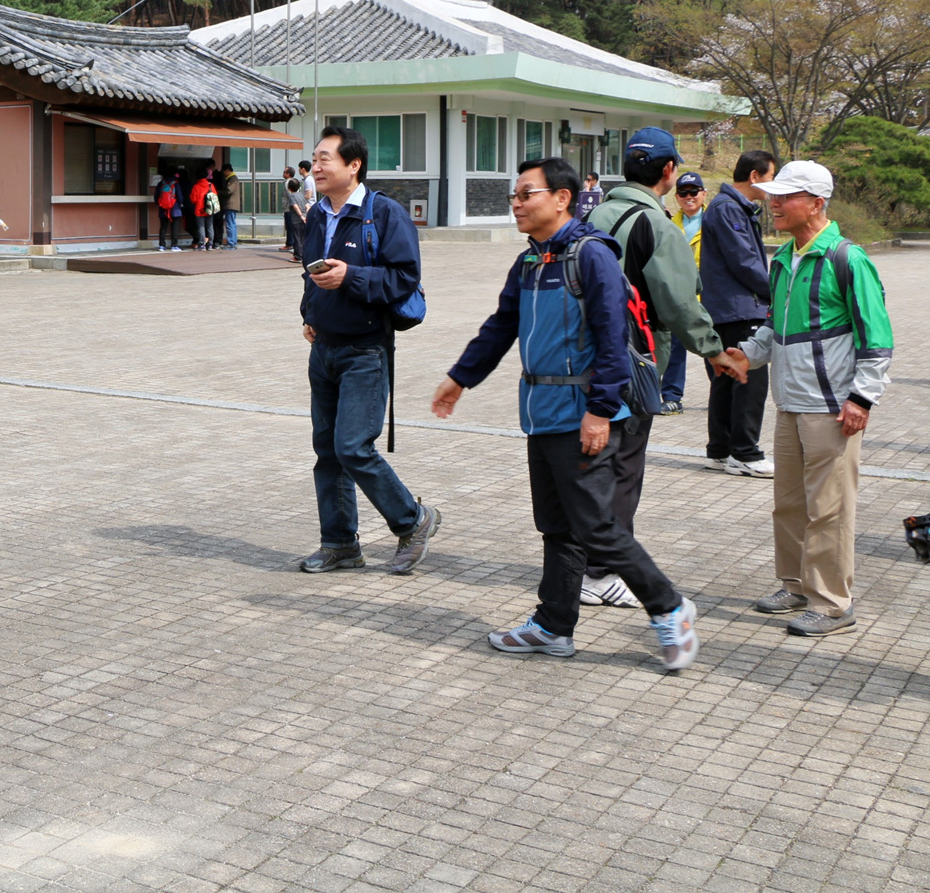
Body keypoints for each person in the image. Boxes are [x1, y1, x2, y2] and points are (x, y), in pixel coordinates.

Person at [433, 156, 700, 671]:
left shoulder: (591, 255)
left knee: (597, 526)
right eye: (514, 195)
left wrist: (600, 410)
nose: (516, 203)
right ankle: (553, 626)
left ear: (562, 199)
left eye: (526, 194)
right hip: (543, 413)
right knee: (558, 527)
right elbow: (501, 326)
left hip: (583, 415)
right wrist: (460, 377)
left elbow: (611, 339)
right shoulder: (531, 261)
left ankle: (669, 608)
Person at [582, 127, 743, 609]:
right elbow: (680, 305)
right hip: (632, 362)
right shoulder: (658, 226)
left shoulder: (589, 217)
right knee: (624, 466)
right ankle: (602, 571)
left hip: (580, 358)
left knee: (591, 462)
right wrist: (715, 351)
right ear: (669, 171)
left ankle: (582, 562)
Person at [732, 160, 893, 637]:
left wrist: (861, 398)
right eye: (773, 196)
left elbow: (877, 338)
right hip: (789, 404)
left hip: (832, 408)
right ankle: (797, 586)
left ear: (817, 203)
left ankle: (833, 604)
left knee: (829, 509)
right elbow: (773, 328)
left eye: (786, 196)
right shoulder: (784, 258)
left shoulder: (848, 259)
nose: (774, 204)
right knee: (788, 504)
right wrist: (745, 355)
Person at [297, 126, 441, 576]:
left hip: (366, 351)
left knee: (353, 447)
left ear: (354, 165)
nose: (316, 167)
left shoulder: (384, 214)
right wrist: (309, 313)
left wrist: (351, 277)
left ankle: (413, 520)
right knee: (327, 450)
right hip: (324, 350)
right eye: (315, 159)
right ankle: (340, 544)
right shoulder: (317, 214)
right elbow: (310, 274)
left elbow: (404, 278)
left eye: (325, 159)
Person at [700, 150, 779, 477]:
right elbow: (744, 261)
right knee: (749, 380)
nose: (773, 185)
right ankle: (745, 453)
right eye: (771, 177)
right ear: (754, 176)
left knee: (726, 379)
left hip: (728, 309)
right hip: (739, 309)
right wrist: (777, 292)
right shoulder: (728, 208)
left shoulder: (730, 206)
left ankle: (720, 451)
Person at [658, 171, 708, 414]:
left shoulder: (715, 221)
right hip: (677, 297)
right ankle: (672, 396)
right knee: (674, 348)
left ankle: (724, 396)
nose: (689, 197)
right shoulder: (667, 224)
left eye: (694, 192)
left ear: (703, 194)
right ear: (676, 197)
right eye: (683, 193)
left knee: (713, 348)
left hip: (708, 297)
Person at [154, 170, 184, 251]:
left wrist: (159, 204)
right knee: (175, 227)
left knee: (163, 227)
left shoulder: (160, 183)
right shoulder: (176, 183)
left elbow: (156, 196)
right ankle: (174, 245)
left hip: (163, 208)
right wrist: (180, 203)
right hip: (175, 209)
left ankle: (162, 245)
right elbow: (180, 197)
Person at [189, 168, 216, 250]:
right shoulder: (211, 185)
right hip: (209, 209)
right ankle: (210, 244)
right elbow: (215, 196)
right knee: (210, 226)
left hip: (199, 209)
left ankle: (202, 244)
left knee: (201, 227)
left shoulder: (196, 186)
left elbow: (193, 199)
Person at [217, 158, 242, 249]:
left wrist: (219, 192)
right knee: (232, 224)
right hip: (232, 205)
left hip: (230, 204)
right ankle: (233, 242)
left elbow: (228, 191)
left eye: (224, 171)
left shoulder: (232, 179)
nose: (224, 173)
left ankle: (231, 243)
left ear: (227, 170)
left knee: (230, 224)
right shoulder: (233, 178)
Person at [284, 175, 308, 261]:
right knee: (303, 238)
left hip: (296, 220)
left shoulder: (292, 196)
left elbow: (295, 206)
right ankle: (304, 255)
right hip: (305, 219)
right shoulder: (301, 195)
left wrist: (301, 216)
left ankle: (298, 256)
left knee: (297, 238)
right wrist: (306, 216)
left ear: (289, 188)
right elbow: (307, 206)